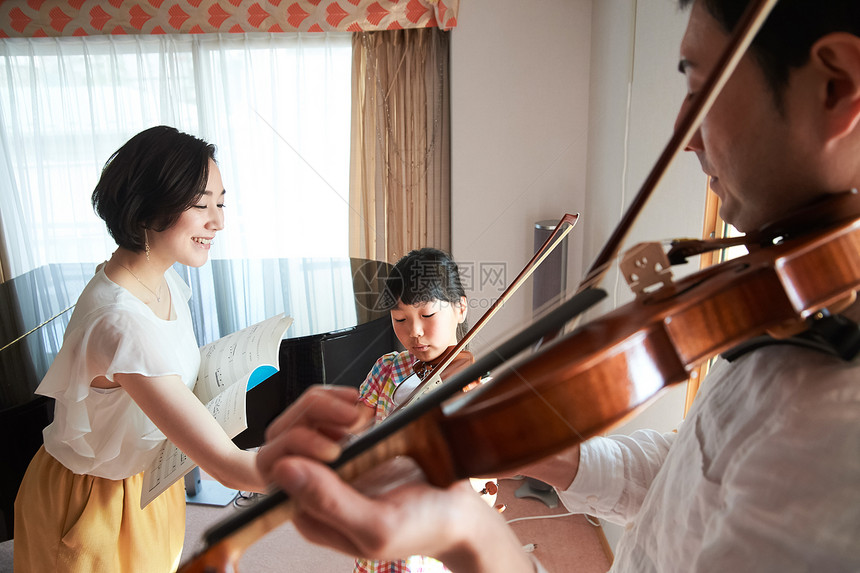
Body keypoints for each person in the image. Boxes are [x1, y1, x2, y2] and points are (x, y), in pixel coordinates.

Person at [256, 1, 860, 571]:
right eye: (401, 318)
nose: (687, 134)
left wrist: (475, 537)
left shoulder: (835, 427)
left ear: (834, 86)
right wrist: (507, 439)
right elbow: (691, 472)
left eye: (702, 89)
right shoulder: (795, 301)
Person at [14, 126, 267, 572]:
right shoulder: (119, 322)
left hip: (150, 482)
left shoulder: (163, 278)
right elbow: (230, 468)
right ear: (149, 206)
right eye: (200, 204)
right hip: (94, 503)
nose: (218, 221)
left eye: (221, 202)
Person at [352, 247, 469, 572]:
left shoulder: (473, 384)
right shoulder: (387, 368)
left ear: (460, 308)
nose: (413, 332)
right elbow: (356, 426)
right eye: (400, 319)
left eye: (427, 316)